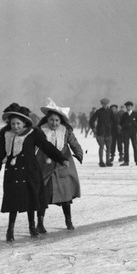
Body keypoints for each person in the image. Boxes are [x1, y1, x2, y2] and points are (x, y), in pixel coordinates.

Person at [0, 104, 68, 241]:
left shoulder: (33, 133)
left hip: (30, 172)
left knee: (31, 199)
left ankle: (32, 226)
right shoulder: (6, 135)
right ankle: (10, 229)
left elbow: (46, 146)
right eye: (13, 123)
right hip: (12, 173)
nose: (15, 127)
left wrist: (60, 158)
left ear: (24, 122)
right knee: (13, 201)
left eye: (18, 123)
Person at [35, 99, 84, 231]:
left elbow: (74, 142)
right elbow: (33, 145)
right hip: (45, 167)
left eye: (57, 120)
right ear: (47, 119)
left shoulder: (65, 131)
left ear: (61, 121)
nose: (54, 123)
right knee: (43, 195)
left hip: (63, 166)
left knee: (65, 196)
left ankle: (68, 221)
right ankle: (40, 223)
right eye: (51, 120)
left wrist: (79, 153)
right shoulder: (40, 131)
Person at [88, 98, 117, 167]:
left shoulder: (110, 112)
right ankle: (101, 161)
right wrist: (94, 128)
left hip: (108, 132)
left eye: (106, 104)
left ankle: (108, 161)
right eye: (103, 104)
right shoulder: (98, 111)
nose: (105, 105)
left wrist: (113, 127)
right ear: (102, 104)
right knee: (101, 147)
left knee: (108, 147)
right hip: (100, 132)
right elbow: (91, 120)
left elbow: (115, 120)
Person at [120, 101, 137, 166]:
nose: (128, 107)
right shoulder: (124, 115)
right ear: (126, 107)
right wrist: (125, 125)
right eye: (127, 106)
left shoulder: (135, 114)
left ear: (131, 107)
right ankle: (126, 161)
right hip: (126, 132)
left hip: (133, 132)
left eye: (129, 106)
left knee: (135, 146)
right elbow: (121, 123)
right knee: (126, 147)